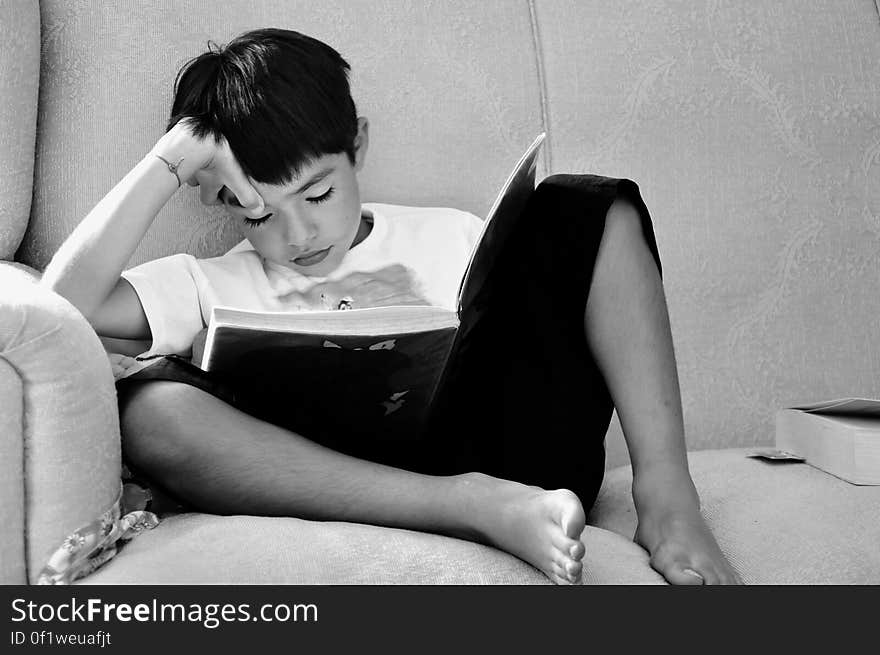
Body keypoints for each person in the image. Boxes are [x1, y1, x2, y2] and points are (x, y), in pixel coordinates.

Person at [42, 28, 741, 585]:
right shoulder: (211, 282)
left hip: (511, 450)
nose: (299, 235)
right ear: (221, 199)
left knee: (587, 205)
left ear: (359, 146)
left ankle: (668, 495)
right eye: (259, 213)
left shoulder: (448, 236)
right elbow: (55, 315)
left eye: (316, 194)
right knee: (148, 408)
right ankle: (472, 507)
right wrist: (170, 162)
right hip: (341, 475)